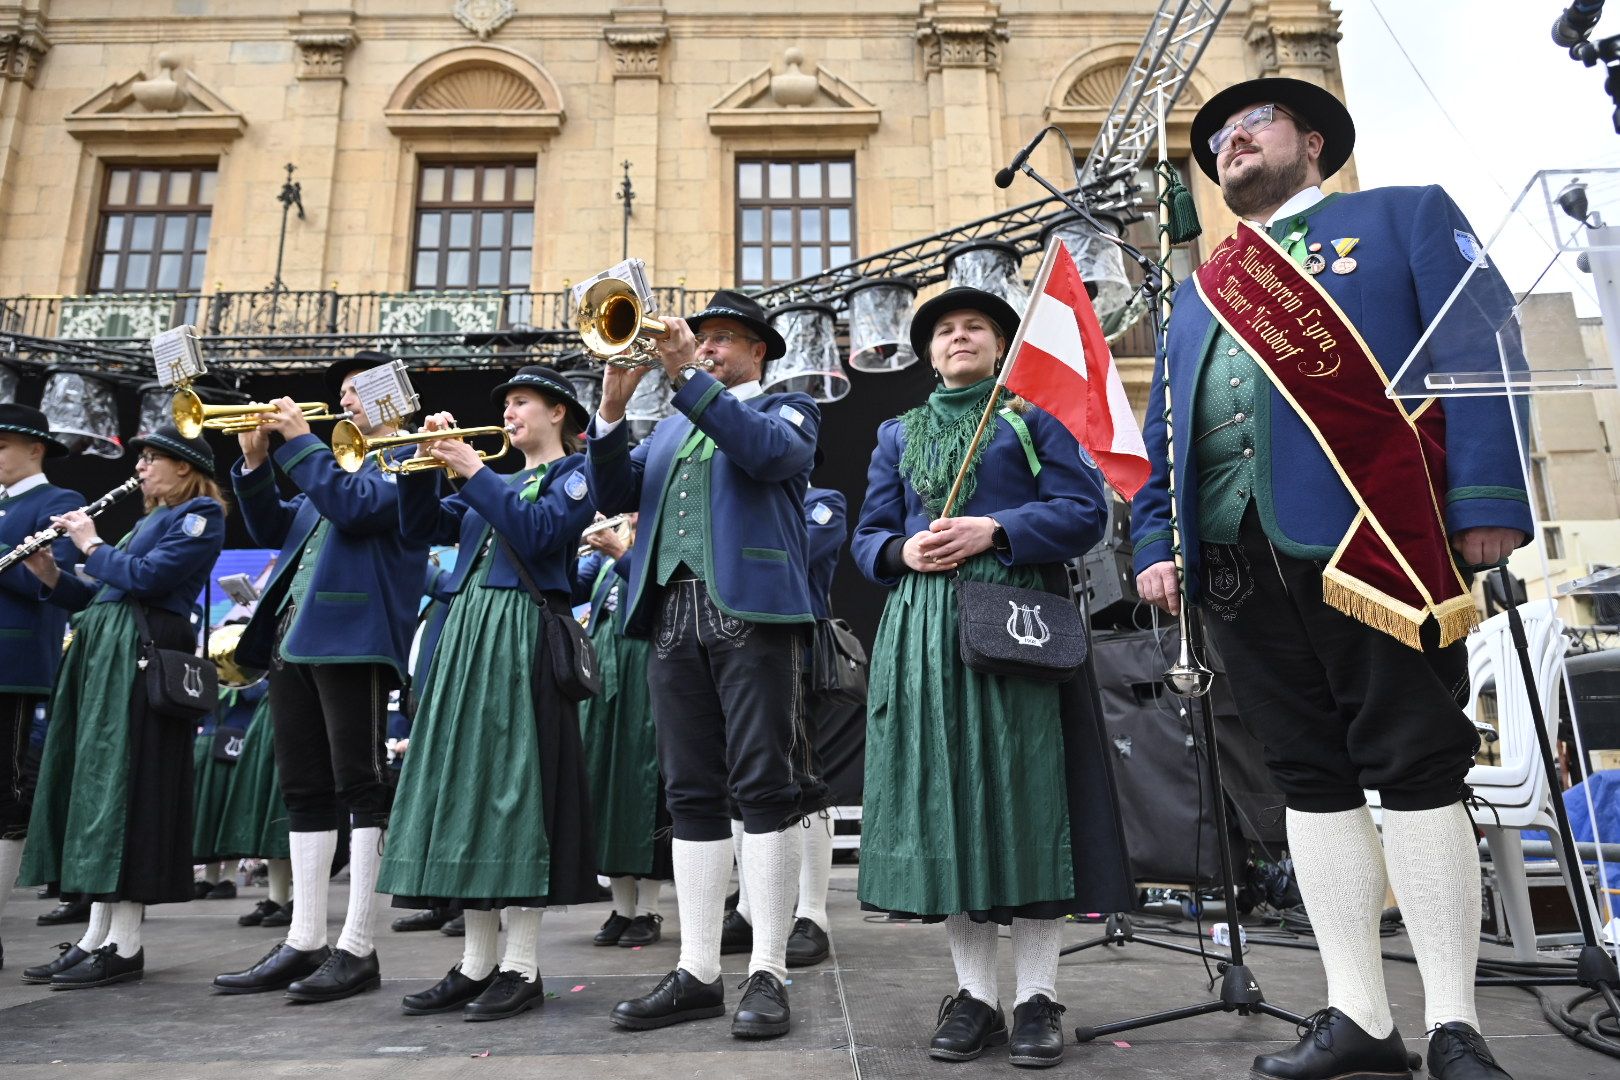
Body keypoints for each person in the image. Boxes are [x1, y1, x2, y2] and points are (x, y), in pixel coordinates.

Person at [1132, 77, 1531, 1080]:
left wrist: (1484, 502)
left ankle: (1450, 1023)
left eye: (1251, 125)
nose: (1229, 143)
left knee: (1415, 763)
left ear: (1312, 140)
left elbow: (1481, 349)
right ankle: (1359, 1014)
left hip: (1372, 538)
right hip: (1233, 556)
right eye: (1216, 137)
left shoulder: (1402, 219)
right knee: (1306, 776)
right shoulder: (1201, 291)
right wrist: (1153, 539)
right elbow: (1165, 436)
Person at [852, 286, 1133, 1069]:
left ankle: (1037, 996)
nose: (958, 337)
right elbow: (867, 535)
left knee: (1028, 801)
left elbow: (1084, 514)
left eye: (974, 326)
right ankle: (975, 996)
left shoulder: (1031, 417)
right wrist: (898, 552)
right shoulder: (896, 433)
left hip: (1017, 625)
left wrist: (998, 527)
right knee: (950, 810)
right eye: (944, 331)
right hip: (924, 635)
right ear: (928, 352)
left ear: (1002, 343)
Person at [587, 290, 819, 1040]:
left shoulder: (786, 409)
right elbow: (612, 493)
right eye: (704, 338)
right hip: (670, 617)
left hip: (751, 611)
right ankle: (696, 969)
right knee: (689, 793)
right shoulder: (669, 430)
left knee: (764, 787)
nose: (710, 347)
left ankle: (769, 969)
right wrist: (613, 413)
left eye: (725, 340)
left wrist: (689, 374)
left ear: (758, 353)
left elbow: (767, 454)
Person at [381, 365, 599, 1022]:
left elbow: (536, 537)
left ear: (559, 413)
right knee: (470, 790)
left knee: (515, 792)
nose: (509, 412)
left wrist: (472, 470)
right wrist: (423, 464)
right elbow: (419, 529)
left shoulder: (575, 477)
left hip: (521, 633)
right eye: (506, 403)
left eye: (522, 402)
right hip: (471, 628)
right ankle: (477, 962)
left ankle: (522, 966)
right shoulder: (496, 478)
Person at [212, 351, 428, 1001]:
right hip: (293, 639)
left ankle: (358, 946)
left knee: (360, 784)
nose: (345, 402)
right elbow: (277, 523)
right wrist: (255, 461)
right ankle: (305, 938)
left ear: (395, 399)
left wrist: (299, 445)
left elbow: (359, 510)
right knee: (303, 788)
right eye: (341, 392)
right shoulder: (334, 464)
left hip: (353, 640)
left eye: (358, 392)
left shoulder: (411, 460)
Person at [18, 426, 227, 989]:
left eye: (152, 459)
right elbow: (103, 594)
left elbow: (148, 578)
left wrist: (89, 543)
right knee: (96, 791)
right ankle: (94, 936)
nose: (140, 469)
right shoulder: (148, 520)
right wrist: (52, 575)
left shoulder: (200, 516)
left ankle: (125, 943)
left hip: (139, 658)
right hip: (106, 656)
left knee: (132, 790)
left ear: (184, 467)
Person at [721, 484, 846, 968]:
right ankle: (752, 909)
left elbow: (796, 554)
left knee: (803, 779)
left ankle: (812, 914)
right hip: (737, 649)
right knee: (742, 780)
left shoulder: (823, 502)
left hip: (796, 650)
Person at [0, 405, 81, 969]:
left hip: (13, 661)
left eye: (1, 445)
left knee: (4, 793)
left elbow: (62, 579)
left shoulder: (56, 503)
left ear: (35, 449)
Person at [576, 513, 672, 949]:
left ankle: (648, 908)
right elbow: (573, 584)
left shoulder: (664, 532)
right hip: (603, 674)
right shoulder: (604, 552)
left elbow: (659, 591)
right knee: (604, 784)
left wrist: (620, 550)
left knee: (642, 783)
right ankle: (621, 907)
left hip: (643, 666)